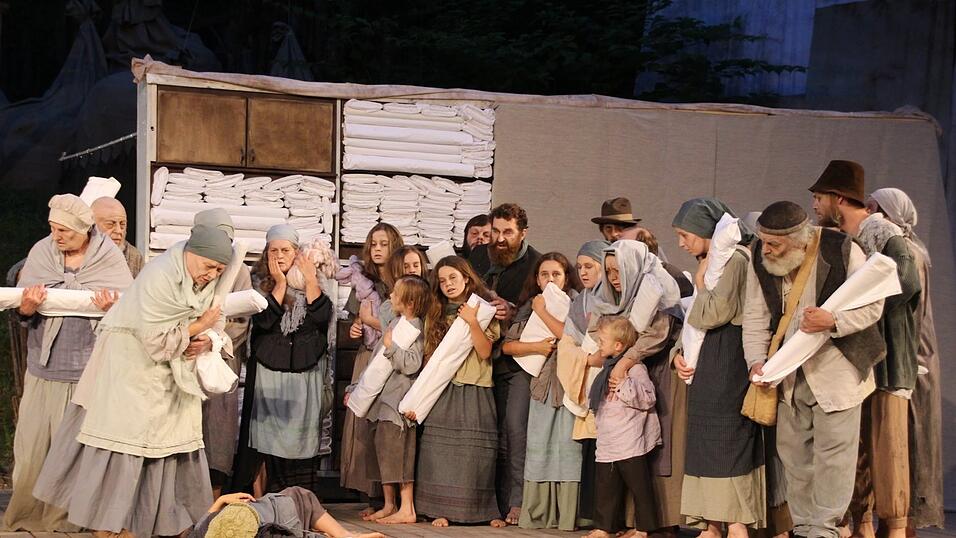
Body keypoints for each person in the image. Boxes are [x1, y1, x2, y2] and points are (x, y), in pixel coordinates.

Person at [33, 223, 235, 537]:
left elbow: (215, 322)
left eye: (219, 270)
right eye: (209, 266)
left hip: (172, 377)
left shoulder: (204, 281)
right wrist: (196, 327)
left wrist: (206, 338)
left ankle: (159, 524)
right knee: (125, 448)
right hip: (130, 369)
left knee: (168, 447)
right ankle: (113, 527)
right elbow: (156, 341)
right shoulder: (160, 276)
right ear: (192, 254)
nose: (211, 275)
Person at [742, 201, 885, 538]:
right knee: (794, 456)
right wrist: (756, 361)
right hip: (789, 377)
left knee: (834, 457)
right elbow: (755, 315)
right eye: (763, 241)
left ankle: (825, 530)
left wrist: (834, 320)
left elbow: (874, 304)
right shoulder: (759, 258)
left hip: (838, 372)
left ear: (800, 240)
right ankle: (805, 527)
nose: (767, 249)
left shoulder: (843, 250)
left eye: (774, 243)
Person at [3, 194, 132, 532]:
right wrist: (27, 308)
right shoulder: (42, 253)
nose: (57, 236)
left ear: (84, 230)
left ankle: (69, 521)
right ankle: (28, 515)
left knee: (75, 454)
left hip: (89, 371)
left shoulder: (110, 259)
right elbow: (22, 308)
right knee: (32, 451)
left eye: (65, 231)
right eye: (53, 228)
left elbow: (131, 313)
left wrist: (111, 311)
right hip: (45, 369)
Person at [809, 161, 921, 538]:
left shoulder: (881, 230)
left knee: (887, 449)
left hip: (887, 359)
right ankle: (863, 522)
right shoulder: (840, 236)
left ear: (838, 199)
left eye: (819, 197)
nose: (813, 204)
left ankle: (895, 527)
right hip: (856, 359)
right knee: (857, 449)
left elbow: (906, 281)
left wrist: (859, 308)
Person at [671, 198, 767, 537]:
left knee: (726, 438)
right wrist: (679, 355)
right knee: (703, 441)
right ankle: (711, 523)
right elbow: (695, 322)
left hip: (729, 357)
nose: (681, 243)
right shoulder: (712, 262)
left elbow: (715, 312)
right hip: (709, 359)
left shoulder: (735, 260)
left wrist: (700, 283)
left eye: (685, 234)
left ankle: (736, 523)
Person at [866, 188, 944, 531]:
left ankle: (904, 518)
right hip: (908, 352)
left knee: (908, 439)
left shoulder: (906, 252)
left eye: (874, 206)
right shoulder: (910, 249)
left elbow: (905, 306)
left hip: (912, 354)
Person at [407, 256, 502, 528]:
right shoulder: (435, 314)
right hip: (443, 388)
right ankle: (440, 509)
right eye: (442, 280)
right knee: (439, 452)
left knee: (475, 454)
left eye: (453, 278)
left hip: (475, 387)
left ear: (467, 278)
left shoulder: (482, 311)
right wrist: (420, 398)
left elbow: (485, 353)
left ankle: (480, 510)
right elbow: (428, 360)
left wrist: (472, 322)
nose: (448, 284)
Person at [243, 225, 333, 496]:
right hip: (270, 373)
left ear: (296, 253)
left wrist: (309, 280)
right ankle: (268, 500)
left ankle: (301, 502)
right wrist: (280, 284)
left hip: (304, 374)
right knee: (267, 441)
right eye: (274, 251)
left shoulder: (311, 280)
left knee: (301, 440)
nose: (280, 255)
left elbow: (321, 318)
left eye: (285, 250)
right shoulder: (257, 281)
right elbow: (264, 321)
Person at [467, 203, 541, 524]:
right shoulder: (481, 256)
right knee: (489, 433)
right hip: (482, 359)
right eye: (495, 231)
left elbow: (540, 311)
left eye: (507, 232)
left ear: (522, 233)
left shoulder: (535, 264)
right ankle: (490, 504)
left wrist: (512, 311)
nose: (499, 238)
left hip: (517, 361)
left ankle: (517, 502)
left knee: (514, 431)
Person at [502, 253, 584, 531]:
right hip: (530, 376)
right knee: (518, 430)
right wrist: (535, 348)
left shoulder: (576, 304)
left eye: (556, 274)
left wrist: (543, 312)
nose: (550, 280)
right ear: (536, 279)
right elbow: (508, 346)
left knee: (563, 442)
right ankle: (521, 500)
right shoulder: (529, 306)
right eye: (544, 275)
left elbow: (570, 335)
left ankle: (564, 508)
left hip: (566, 381)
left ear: (566, 277)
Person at [338, 223, 403, 509]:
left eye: (383, 244)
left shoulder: (402, 282)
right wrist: (356, 327)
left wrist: (371, 322)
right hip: (368, 355)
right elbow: (357, 319)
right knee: (362, 422)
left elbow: (402, 326)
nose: (377, 249)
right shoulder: (362, 280)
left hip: (393, 358)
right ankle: (368, 492)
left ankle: (391, 494)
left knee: (387, 422)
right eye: (373, 244)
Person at [356, 275, 429, 525]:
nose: (390, 297)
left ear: (408, 301)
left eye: (396, 293)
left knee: (400, 454)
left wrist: (391, 347)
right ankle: (389, 504)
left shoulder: (415, 328)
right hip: (382, 401)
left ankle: (406, 507)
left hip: (397, 402)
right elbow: (376, 359)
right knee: (384, 452)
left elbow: (411, 364)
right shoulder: (396, 323)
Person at [193, 209, 253, 497]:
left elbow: (241, 320)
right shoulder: (188, 264)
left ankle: (216, 495)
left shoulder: (239, 270)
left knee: (218, 430)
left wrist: (213, 338)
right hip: (188, 355)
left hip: (223, 357)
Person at [586, 316, 661, 538]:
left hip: (630, 440)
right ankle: (604, 527)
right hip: (609, 439)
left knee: (640, 488)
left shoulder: (634, 369)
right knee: (606, 487)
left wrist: (623, 385)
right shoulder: (605, 368)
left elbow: (648, 398)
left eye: (602, 341)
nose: (599, 345)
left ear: (618, 345)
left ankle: (643, 528)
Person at [556, 240, 610, 524]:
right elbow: (566, 344)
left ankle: (610, 519)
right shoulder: (580, 302)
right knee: (590, 451)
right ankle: (593, 516)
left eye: (589, 266)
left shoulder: (615, 298)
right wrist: (585, 359)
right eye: (580, 267)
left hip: (609, 382)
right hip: (587, 377)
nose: (583, 272)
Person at [189, 487, 384, 538]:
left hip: (269, 509)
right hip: (282, 512)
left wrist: (222, 500)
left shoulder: (204, 531)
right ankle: (344, 535)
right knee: (300, 495)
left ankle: (342, 534)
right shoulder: (264, 532)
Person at [90, 196, 144, 277]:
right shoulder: (78, 253)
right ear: (92, 225)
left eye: (122, 225)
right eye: (110, 224)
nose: (119, 231)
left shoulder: (134, 257)